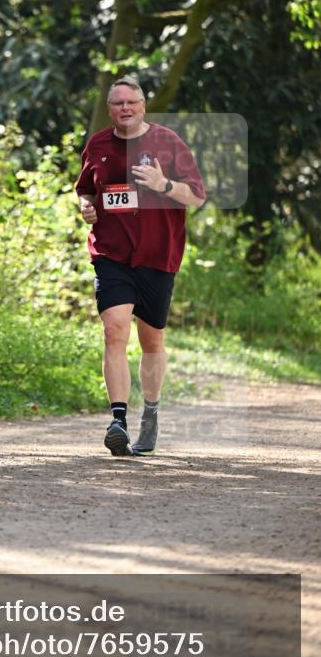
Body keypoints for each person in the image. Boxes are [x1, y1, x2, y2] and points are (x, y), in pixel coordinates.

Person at [76, 76, 205, 457]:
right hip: (111, 254)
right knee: (114, 330)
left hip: (157, 255)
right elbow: (85, 188)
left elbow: (196, 196)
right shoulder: (98, 144)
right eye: (118, 104)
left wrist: (163, 184)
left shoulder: (168, 143)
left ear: (143, 105)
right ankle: (118, 420)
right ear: (109, 108)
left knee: (151, 341)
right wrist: (85, 207)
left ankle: (150, 411)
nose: (125, 109)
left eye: (132, 102)